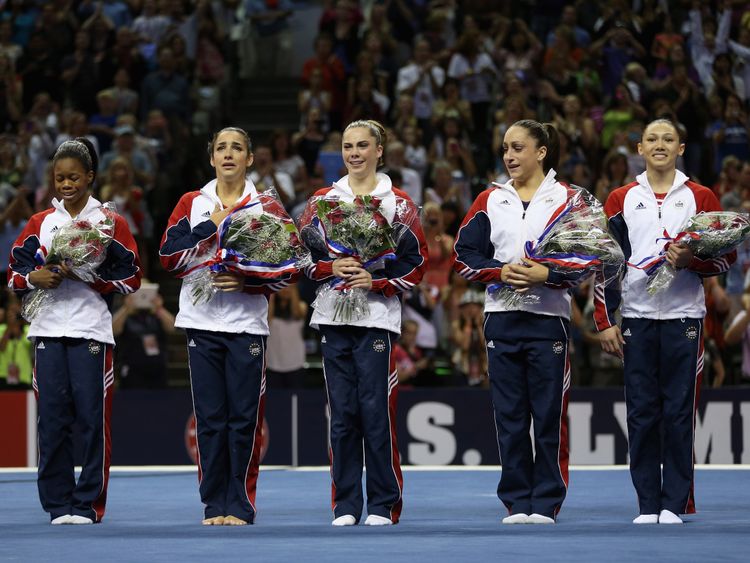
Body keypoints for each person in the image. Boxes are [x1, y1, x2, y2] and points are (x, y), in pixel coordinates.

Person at [596, 118, 736, 525]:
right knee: (640, 412)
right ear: (639, 148)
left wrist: (694, 260)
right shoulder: (620, 198)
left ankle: (674, 503)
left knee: (678, 412)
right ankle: (646, 504)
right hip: (637, 318)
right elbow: (606, 265)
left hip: (685, 319)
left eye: (668, 139)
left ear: (681, 148)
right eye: (652, 139)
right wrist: (605, 320)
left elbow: (725, 256)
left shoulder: (701, 196)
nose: (660, 144)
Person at [159, 127, 296, 526]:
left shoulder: (265, 207)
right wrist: (210, 224)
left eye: (237, 148)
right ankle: (213, 503)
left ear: (250, 158)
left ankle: (239, 502)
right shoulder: (192, 203)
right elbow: (169, 258)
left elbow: (289, 270)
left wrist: (247, 281)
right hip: (201, 324)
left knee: (244, 419)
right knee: (210, 418)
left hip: (246, 325)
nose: (229, 154)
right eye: (222, 148)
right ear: (212, 158)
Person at [7, 138, 142, 524]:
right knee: (51, 419)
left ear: (89, 178)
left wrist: (90, 276)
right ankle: (56, 503)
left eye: (73, 177)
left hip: (90, 331)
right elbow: (14, 274)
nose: (66, 184)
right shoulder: (40, 223)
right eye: (59, 178)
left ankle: (87, 504)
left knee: (91, 420)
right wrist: (36, 277)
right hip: (47, 331)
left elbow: (132, 276)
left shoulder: (109, 222)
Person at [301, 119, 427, 526]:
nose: (354, 153)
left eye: (361, 146)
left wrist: (379, 280)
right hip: (333, 318)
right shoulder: (323, 200)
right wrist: (329, 265)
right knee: (342, 415)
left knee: (376, 412)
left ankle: (383, 504)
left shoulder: (399, 204)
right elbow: (298, 258)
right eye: (347, 146)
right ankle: (345, 504)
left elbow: (418, 263)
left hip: (376, 318)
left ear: (379, 152)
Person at [453, 119, 579, 524]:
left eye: (518, 147)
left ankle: (546, 502)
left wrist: (549, 274)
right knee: (509, 415)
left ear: (541, 152)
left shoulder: (568, 198)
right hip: (502, 319)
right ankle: (516, 501)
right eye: (505, 147)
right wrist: (498, 271)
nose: (509, 155)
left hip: (548, 319)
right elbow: (463, 254)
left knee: (548, 415)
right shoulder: (491, 199)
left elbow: (588, 258)